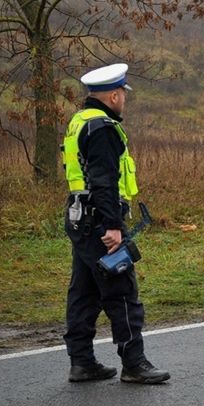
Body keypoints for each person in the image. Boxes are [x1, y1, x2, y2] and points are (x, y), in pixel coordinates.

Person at [61, 63, 170, 384]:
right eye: (122, 94)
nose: (124, 99)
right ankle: (134, 363)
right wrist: (112, 226)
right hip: (100, 221)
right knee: (121, 290)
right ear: (112, 95)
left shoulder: (79, 122)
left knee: (83, 291)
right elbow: (104, 181)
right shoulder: (103, 128)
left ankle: (82, 363)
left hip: (80, 218)